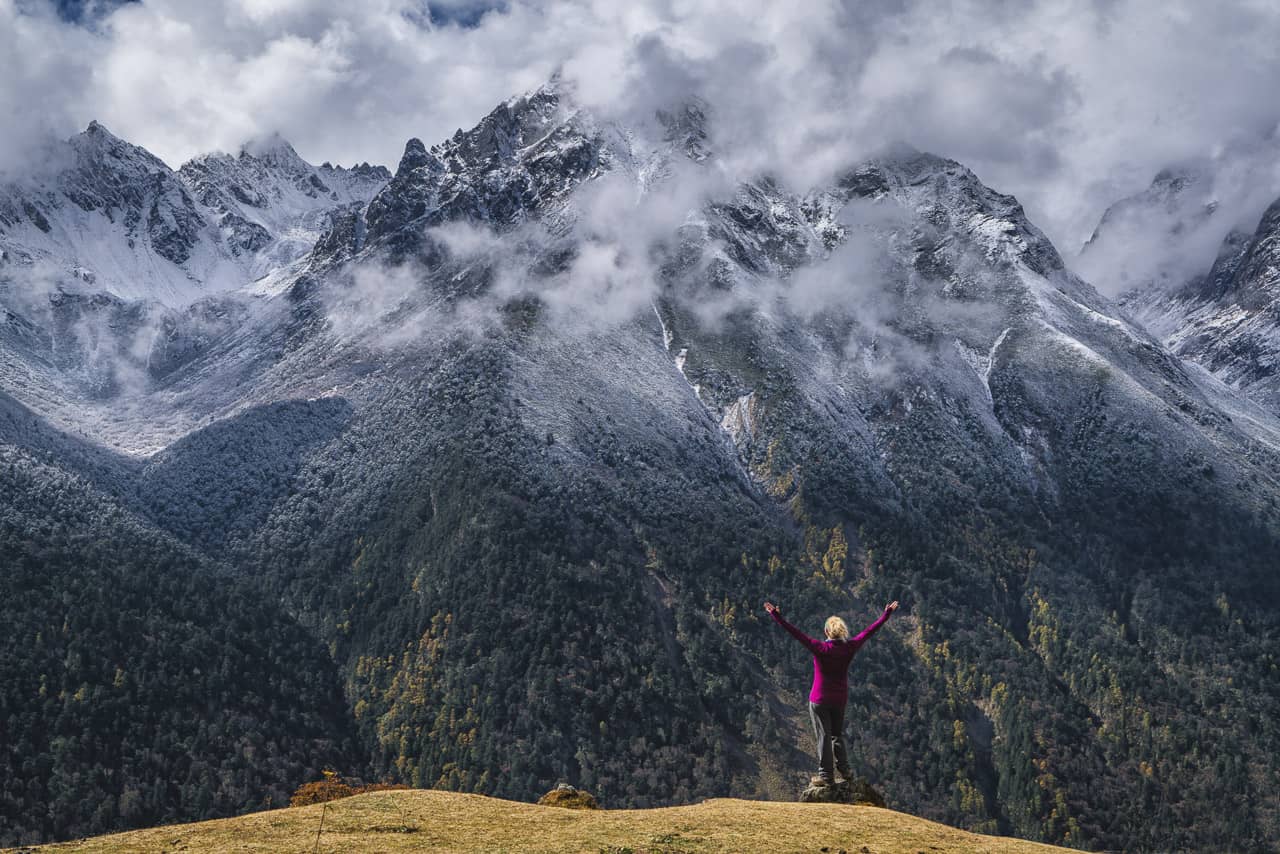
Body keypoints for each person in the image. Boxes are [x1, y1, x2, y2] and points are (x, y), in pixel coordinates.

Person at [764, 598, 899, 787]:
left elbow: (796, 633)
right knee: (836, 735)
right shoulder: (850, 647)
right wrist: (886, 615)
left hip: (819, 699)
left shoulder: (820, 648)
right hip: (839, 699)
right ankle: (845, 771)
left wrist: (777, 617)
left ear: (827, 632)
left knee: (823, 737)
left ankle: (826, 776)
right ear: (842, 632)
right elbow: (869, 632)